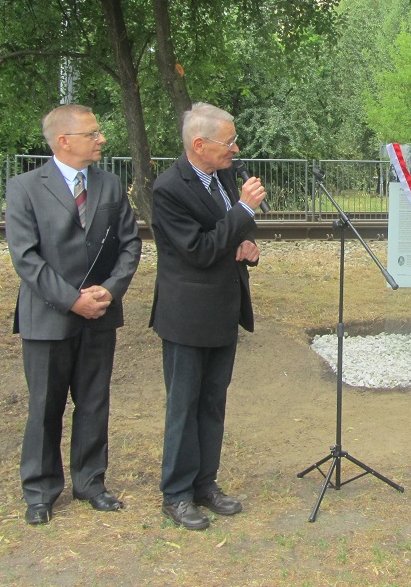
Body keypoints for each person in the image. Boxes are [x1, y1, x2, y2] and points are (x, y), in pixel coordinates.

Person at [5, 104, 141, 525]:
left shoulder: (111, 185)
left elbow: (130, 245)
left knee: (94, 402)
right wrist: (71, 300)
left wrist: (110, 290)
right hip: (47, 318)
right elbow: (26, 259)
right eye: (92, 133)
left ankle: (90, 482)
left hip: (100, 314)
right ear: (64, 140)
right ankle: (41, 490)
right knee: (45, 406)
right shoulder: (24, 187)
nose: (101, 139)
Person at [150, 102, 266, 531]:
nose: (236, 148)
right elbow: (197, 250)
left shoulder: (224, 176)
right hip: (187, 315)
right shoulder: (169, 189)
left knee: (213, 403)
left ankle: (205, 483)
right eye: (229, 141)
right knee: (184, 405)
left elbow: (227, 238)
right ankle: (176, 494)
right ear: (199, 145)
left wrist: (247, 247)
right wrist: (243, 212)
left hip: (222, 310)